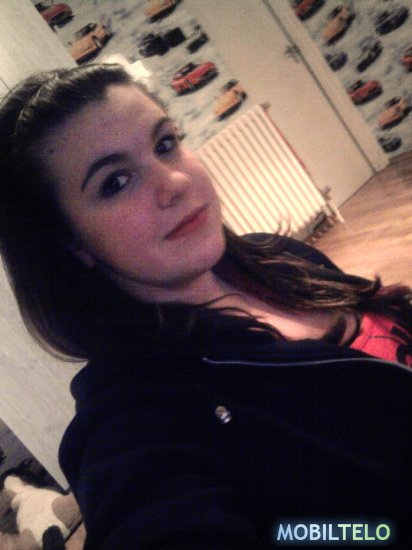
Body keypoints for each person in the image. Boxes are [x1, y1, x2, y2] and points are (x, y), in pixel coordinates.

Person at [0, 63, 411, 549]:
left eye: (165, 144)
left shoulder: (280, 256)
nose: (175, 180)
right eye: (116, 181)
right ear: (71, 242)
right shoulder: (136, 423)